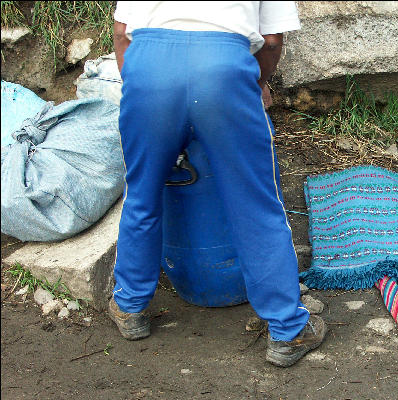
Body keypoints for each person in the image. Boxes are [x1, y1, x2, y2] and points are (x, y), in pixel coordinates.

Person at [108, 1, 326, 368]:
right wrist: (254, 85)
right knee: (256, 205)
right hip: (222, 68)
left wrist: (143, 91)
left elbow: (120, 32)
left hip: (149, 66)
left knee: (142, 194)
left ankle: (130, 308)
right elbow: (271, 42)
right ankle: (288, 330)